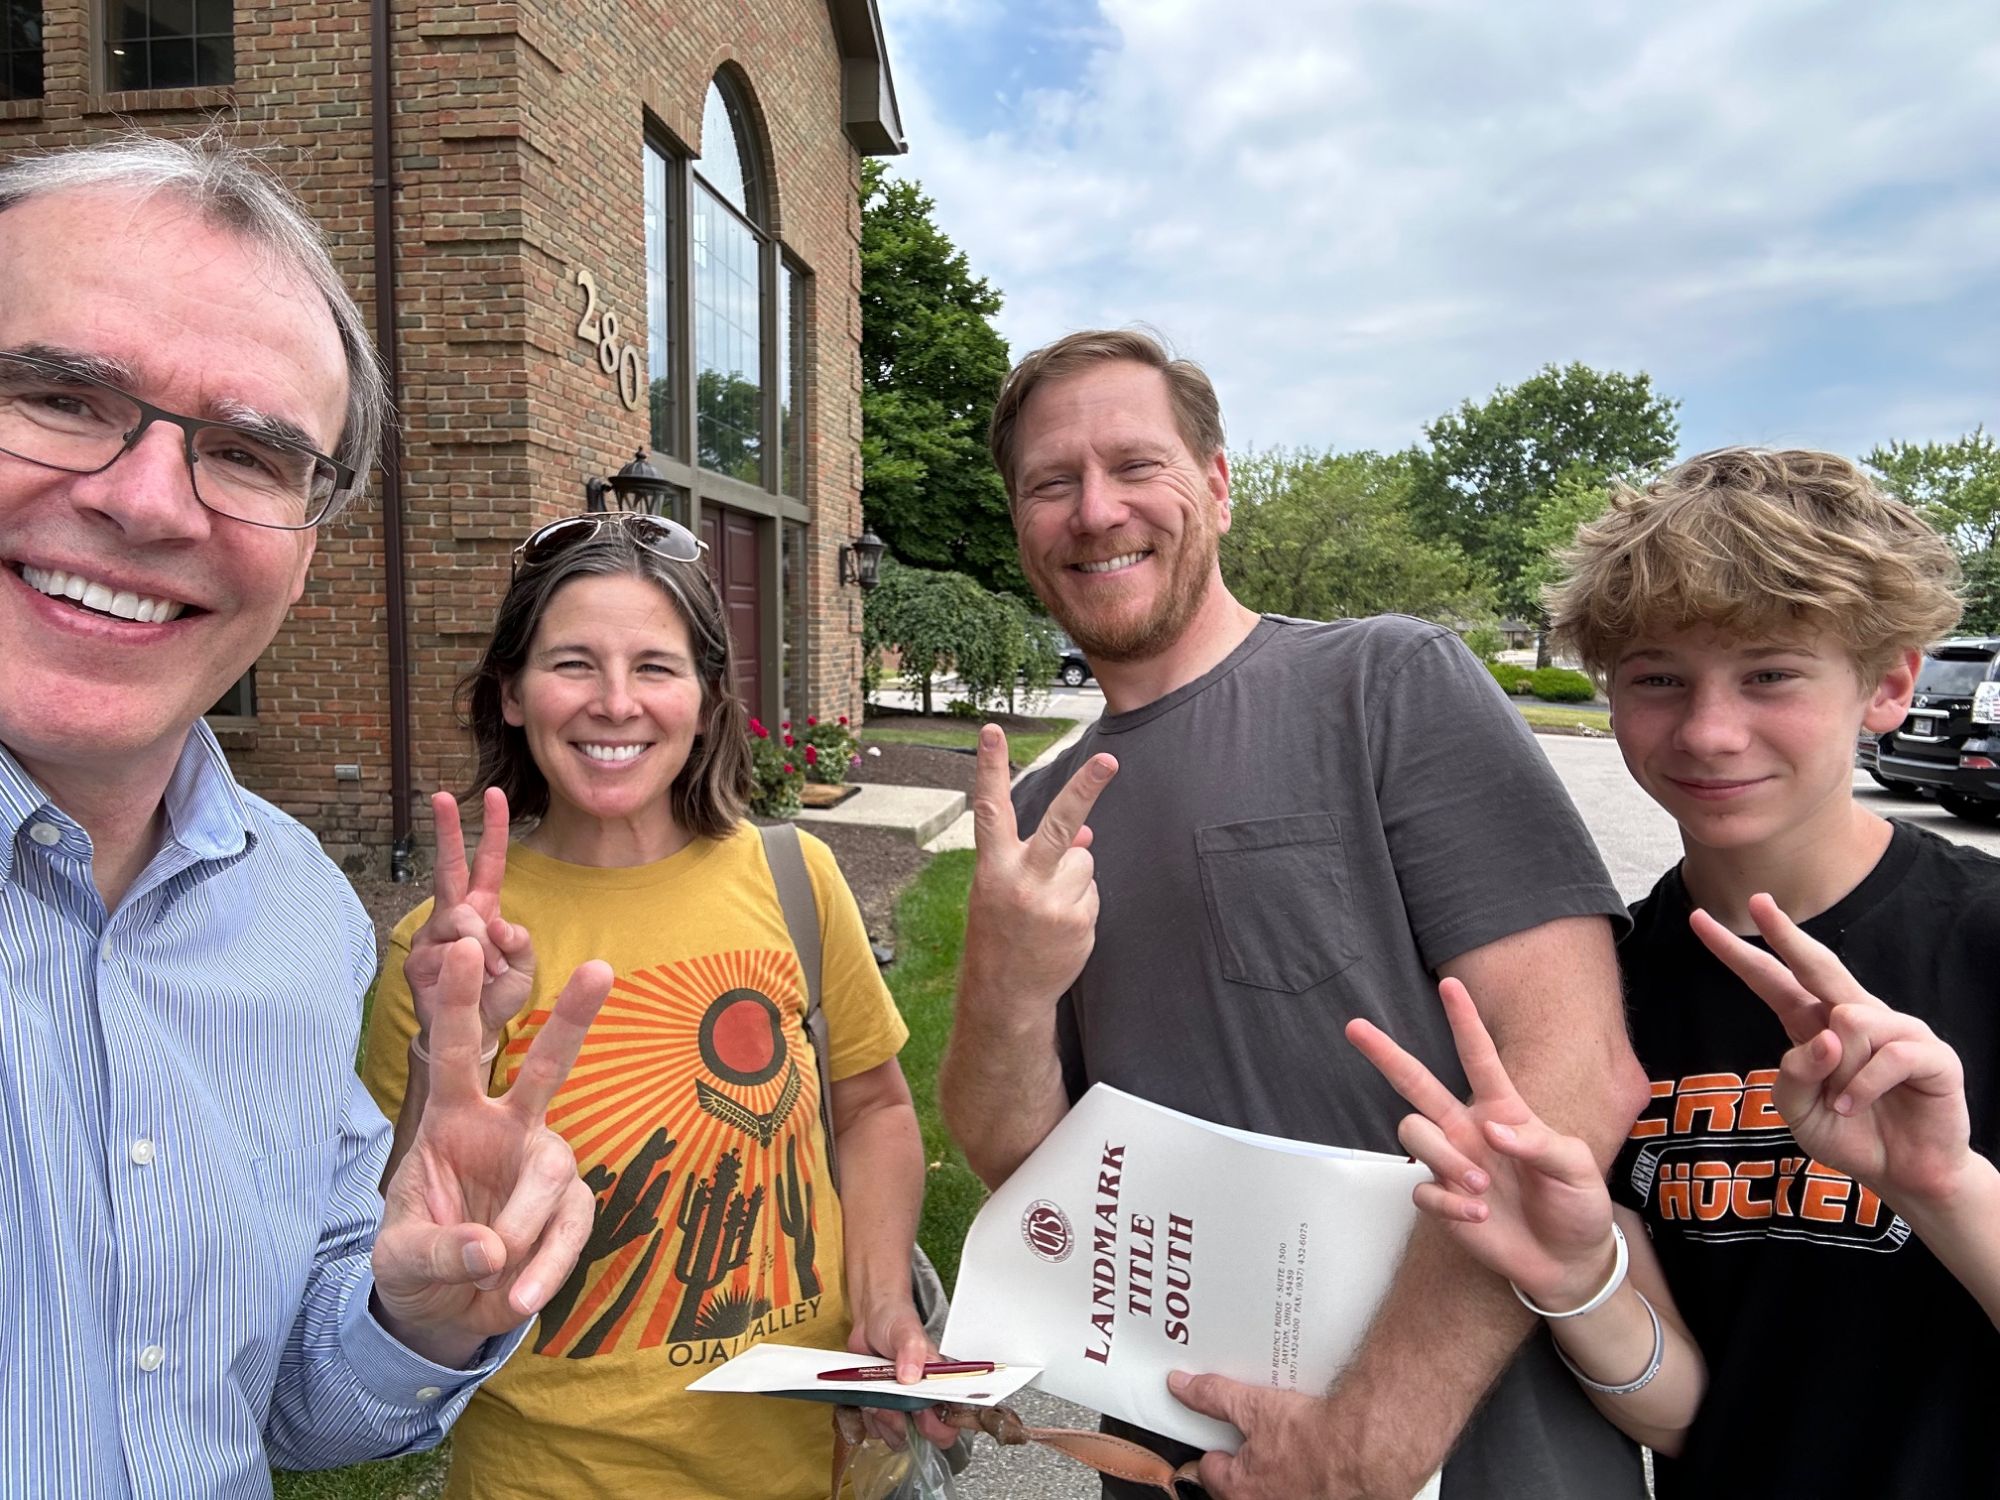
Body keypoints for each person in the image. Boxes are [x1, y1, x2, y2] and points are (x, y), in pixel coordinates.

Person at [937, 328, 1651, 1500]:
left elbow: (1575, 1071)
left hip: (1468, 1456)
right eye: (1050, 484)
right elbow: (1017, 1156)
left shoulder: (1382, 686)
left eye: (1135, 465)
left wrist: (1365, 1441)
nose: (1094, 509)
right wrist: (1005, 984)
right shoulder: (1034, 815)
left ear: (1216, 485)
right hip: (1188, 1455)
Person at [0, 135, 611, 1497]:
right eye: (56, 393)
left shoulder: (299, 916)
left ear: (307, 545)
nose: (149, 500)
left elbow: (285, 1401)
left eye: (252, 454)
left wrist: (420, 1317)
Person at [1349, 447, 2000, 1497]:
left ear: (1885, 685)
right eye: (1656, 678)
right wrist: (1574, 1279)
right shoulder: (1603, 992)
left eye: (1769, 674)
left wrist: (1944, 1188)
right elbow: (1693, 1414)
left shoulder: (1980, 941)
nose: (1706, 730)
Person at [360, 512, 937, 1499]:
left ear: (710, 701)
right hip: (553, 1476)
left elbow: (876, 1109)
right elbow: (394, 1248)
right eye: (573, 664)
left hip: (815, 1469)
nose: (616, 703)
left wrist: (880, 1301)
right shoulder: (442, 953)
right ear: (510, 693)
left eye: (656, 668)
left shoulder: (797, 880)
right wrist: (442, 1053)